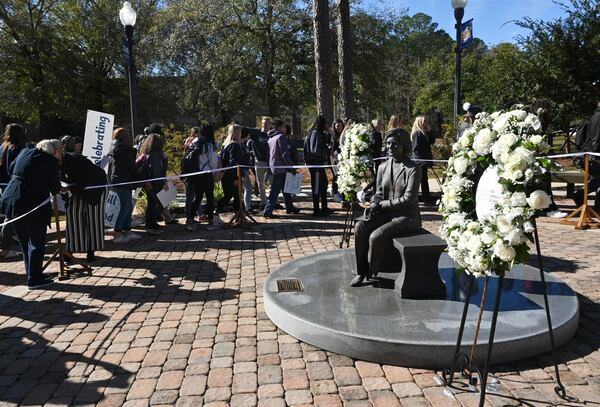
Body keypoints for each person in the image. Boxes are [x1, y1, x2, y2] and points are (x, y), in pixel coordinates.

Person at [352, 130, 422, 287]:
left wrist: (381, 204)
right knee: (360, 227)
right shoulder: (383, 167)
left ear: (404, 146)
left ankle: (371, 270)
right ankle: (360, 271)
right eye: (388, 143)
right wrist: (374, 203)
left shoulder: (413, 169)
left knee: (376, 236)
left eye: (394, 144)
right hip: (385, 214)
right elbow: (378, 193)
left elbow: (408, 200)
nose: (390, 147)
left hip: (406, 216)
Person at [0, 139, 62, 289]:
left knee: (24, 240)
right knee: (36, 241)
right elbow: (54, 188)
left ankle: (32, 273)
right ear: (56, 151)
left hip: (11, 200)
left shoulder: (26, 152)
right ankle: (35, 279)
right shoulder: (49, 161)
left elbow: (11, 169)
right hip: (31, 204)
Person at [60, 136, 107, 263]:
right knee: (74, 220)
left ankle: (90, 252)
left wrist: (67, 187)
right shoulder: (64, 161)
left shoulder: (75, 160)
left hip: (95, 189)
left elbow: (80, 180)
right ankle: (69, 251)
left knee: (93, 221)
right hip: (80, 190)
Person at [107, 128, 141, 243]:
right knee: (126, 208)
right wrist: (138, 179)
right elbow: (132, 168)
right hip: (125, 181)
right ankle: (117, 233)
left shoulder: (112, 149)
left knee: (126, 207)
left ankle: (127, 230)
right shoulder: (128, 150)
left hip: (115, 181)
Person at [186, 124, 223, 231]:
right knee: (210, 197)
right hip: (206, 173)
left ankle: (190, 219)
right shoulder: (209, 145)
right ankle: (211, 220)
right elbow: (213, 161)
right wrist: (214, 172)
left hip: (195, 173)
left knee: (197, 197)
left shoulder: (194, 142)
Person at [263, 119, 300, 218]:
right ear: (279, 127)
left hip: (275, 167)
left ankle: (289, 207)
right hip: (281, 168)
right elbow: (285, 154)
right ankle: (267, 211)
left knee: (286, 188)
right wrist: (291, 166)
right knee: (275, 190)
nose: (285, 129)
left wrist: (269, 168)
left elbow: (268, 155)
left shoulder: (271, 138)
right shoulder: (281, 137)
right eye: (284, 127)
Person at [0, 124, 26, 259]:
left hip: (4, 184)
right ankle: (5, 248)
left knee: (12, 214)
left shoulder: (2, 147)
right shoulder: (17, 148)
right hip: (13, 184)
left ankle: (11, 242)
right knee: (10, 216)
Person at [138, 134, 168, 235]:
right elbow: (157, 170)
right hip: (155, 183)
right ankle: (150, 224)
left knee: (152, 203)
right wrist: (162, 182)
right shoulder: (155, 155)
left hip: (151, 182)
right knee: (160, 202)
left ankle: (151, 223)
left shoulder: (147, 153)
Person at [574, 102, 600, 209]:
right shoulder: (598, 118)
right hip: (594, 155)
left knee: (596, 180)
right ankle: (581, 195)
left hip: (591, 154)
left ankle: (581, 195)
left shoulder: (595, 116)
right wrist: (598, 157)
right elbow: (596, 140)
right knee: (597, 180)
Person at [305, 115, 331, 216]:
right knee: (316, 187)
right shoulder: (315, 133)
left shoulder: (319, 133)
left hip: (318, 163)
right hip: (315, 164)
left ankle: (324, 207)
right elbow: (314, 150)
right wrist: (325, 150)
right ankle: (316, 210)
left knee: (323, 184)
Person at [216, 124, 243, 213]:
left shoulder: (225, 145)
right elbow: (233, 162)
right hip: (232, 174)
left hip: (225, 174)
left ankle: (238, 215)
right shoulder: (234, 145)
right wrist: (236, 178)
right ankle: (238, 216)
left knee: (230, 195)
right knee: (235, 195)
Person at [247, 117, 271, 208]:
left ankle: (272, 202)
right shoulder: (256, 133)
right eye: (263, 123)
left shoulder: (271, 135)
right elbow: (245, 129)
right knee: (260, 184)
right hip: (259, 162)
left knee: (273, 183)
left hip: (270, 163)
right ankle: (263, 202)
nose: (265, 125)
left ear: (270, 125)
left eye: (267, 123)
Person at [410, 115, 435, 203]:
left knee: (424, 179)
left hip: (424, 160)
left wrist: (430, 130)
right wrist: (421, 161)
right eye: (424, 121)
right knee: (421, 180)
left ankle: (426, 198)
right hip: (420, 161)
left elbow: (432, 141)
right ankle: (424, 199)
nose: (426, 123)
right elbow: (415, 149)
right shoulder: (416, 133)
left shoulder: (424, 132)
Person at [240, 127, 254, 213]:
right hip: (242, 170)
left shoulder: (243, 144)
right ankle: (247, 207)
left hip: (245, 168)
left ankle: (247, 206)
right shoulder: (241, 145)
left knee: (248, 188)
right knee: (248, 188)